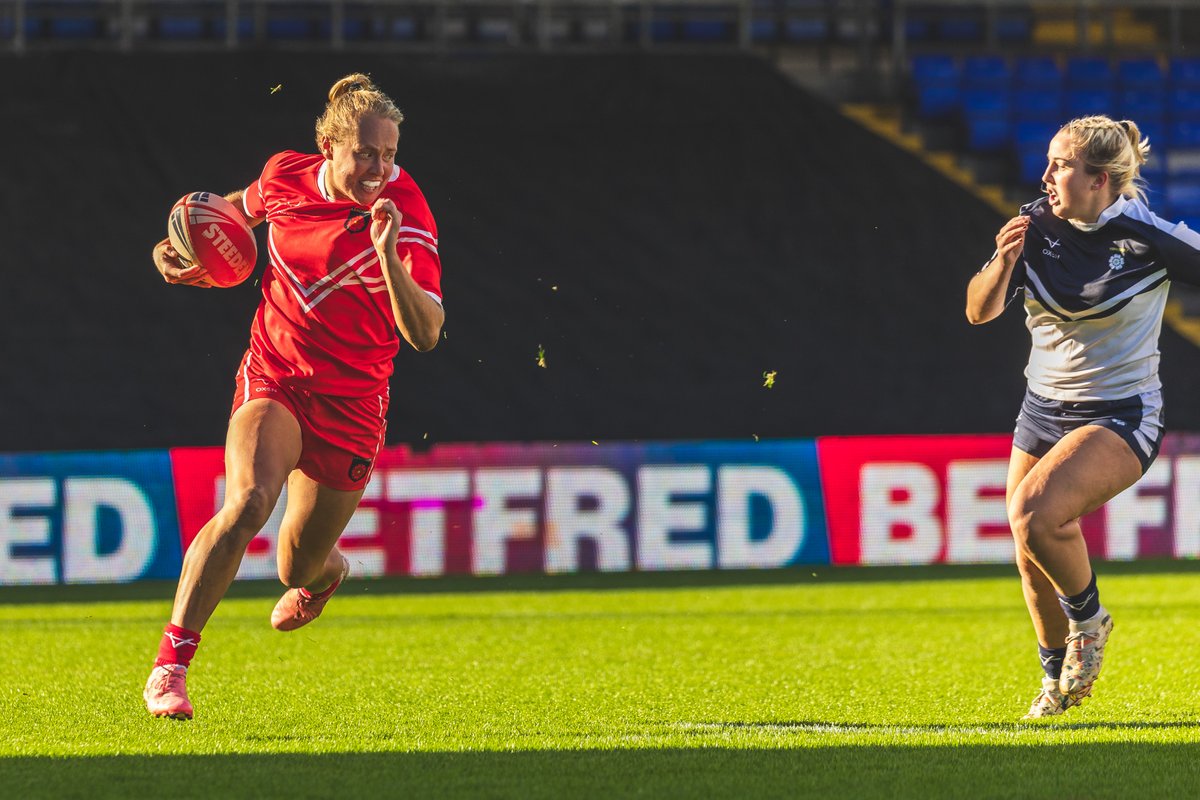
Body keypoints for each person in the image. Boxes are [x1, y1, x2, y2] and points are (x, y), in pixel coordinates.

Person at [143, 73, 444, 720]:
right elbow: (236, 210)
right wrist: (186, 243)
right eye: (365, 152)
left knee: (294, 567)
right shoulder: (285, 176)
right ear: (328, 146)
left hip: (352, 402)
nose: (379, 167)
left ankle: (325, 573)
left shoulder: (406, 210)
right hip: (274, 372)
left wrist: (387, 254)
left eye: (389, 154)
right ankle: (172, 664)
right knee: (249, 500)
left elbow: (425, 334)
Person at [966, 115, 1200, 718]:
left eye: (1061, 165)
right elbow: (978, 312)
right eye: (1047, 161)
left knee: (1034, 514)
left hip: (1121, 413)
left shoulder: (1150, 236)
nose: (1045, 175)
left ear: (1100, 180)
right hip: (1040, 408)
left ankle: (1089, 623)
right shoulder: (1034, 222)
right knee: (1028, 543)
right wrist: (999, 260)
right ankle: (1055, 683)